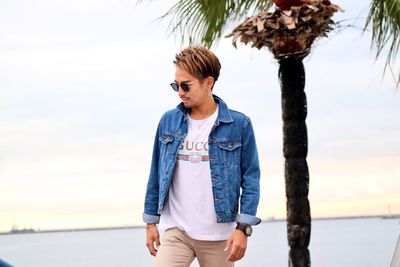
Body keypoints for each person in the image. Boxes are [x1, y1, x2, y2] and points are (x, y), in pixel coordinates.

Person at [143, 46, 261, 267]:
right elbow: (156, 173)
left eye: (186, 85)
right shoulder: (168, 121)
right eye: (175, 85)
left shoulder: (239, 125)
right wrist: (151, 223)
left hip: (219, 237)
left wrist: (243, 228)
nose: (180, 92)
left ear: (209, 82)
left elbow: (251, 180)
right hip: (177, 232)